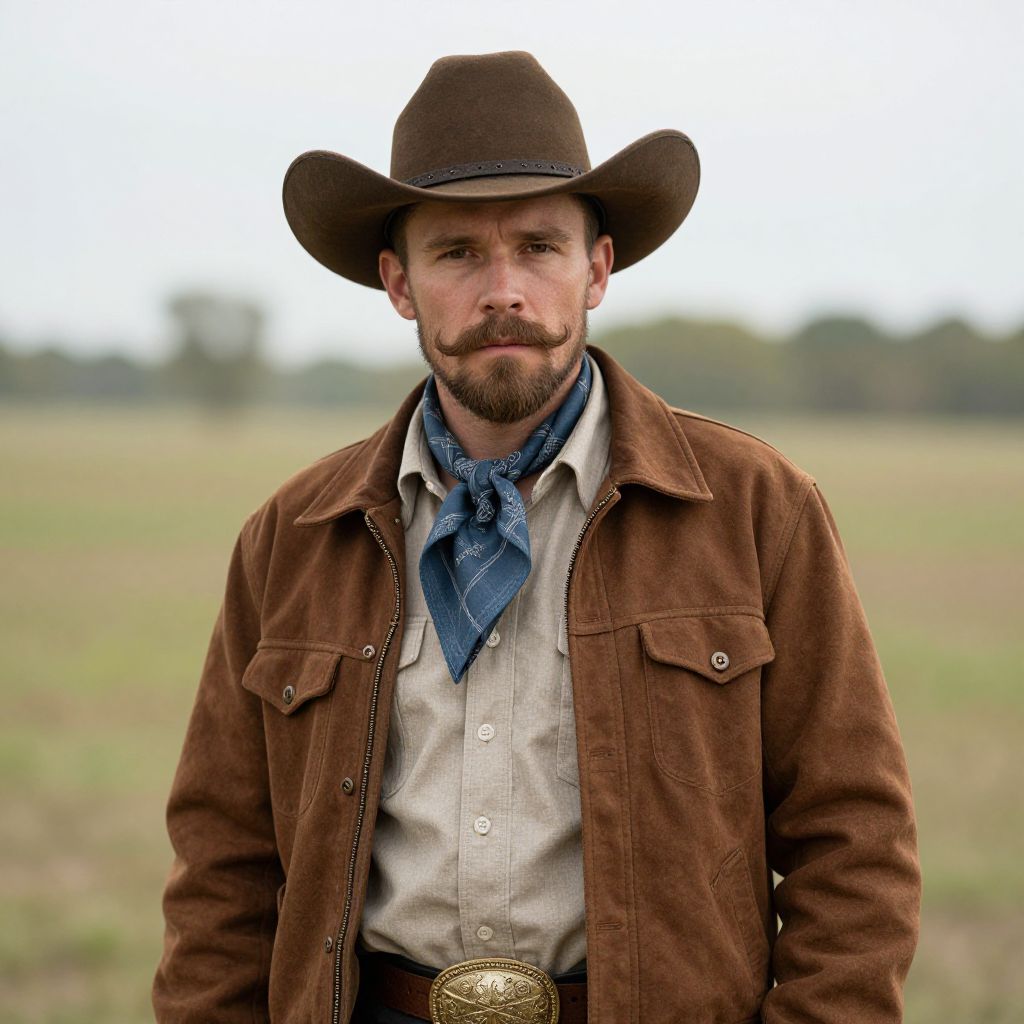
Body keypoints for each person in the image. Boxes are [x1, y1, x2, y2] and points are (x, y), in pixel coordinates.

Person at [153, 50, 920, 1024]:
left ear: (597, 269)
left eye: (539, 248)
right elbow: (222, 859)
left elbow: (853, 837)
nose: (503, 290)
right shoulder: (292, 538)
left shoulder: (758, 510)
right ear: (398, 283)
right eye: (457, 253)